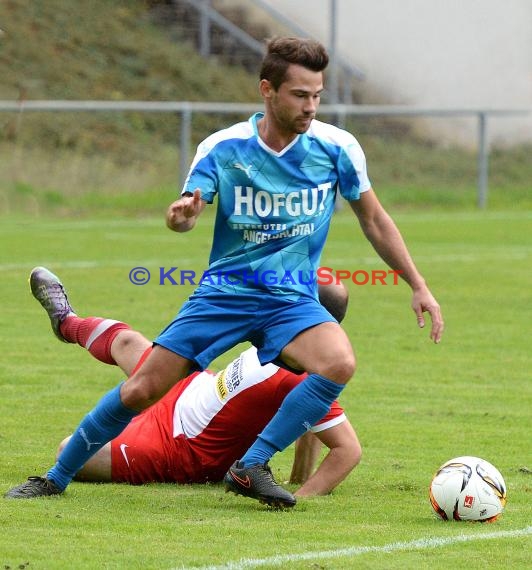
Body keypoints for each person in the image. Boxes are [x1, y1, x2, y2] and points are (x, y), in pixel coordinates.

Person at [5, 37, 443, 507]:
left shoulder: (338, 148)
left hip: (290, 297)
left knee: (338, 362)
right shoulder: (223, 148)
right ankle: (53, 478)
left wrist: (417, 284)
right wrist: (182, 216)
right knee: (141, 389)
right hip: (225, 294)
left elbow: (374, 219)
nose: (310, 106)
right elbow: (187, 214)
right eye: (300, 94)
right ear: (267, 90)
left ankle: (250, 465)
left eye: (317, 95)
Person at [7, 267, 360, 498]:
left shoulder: (315, 377)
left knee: (69, 449)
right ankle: (66, 322)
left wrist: (300, 495)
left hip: (181, 448)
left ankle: (58, 477)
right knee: (130, 344)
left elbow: (347, 450)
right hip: (192, 389)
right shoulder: (280, 334)